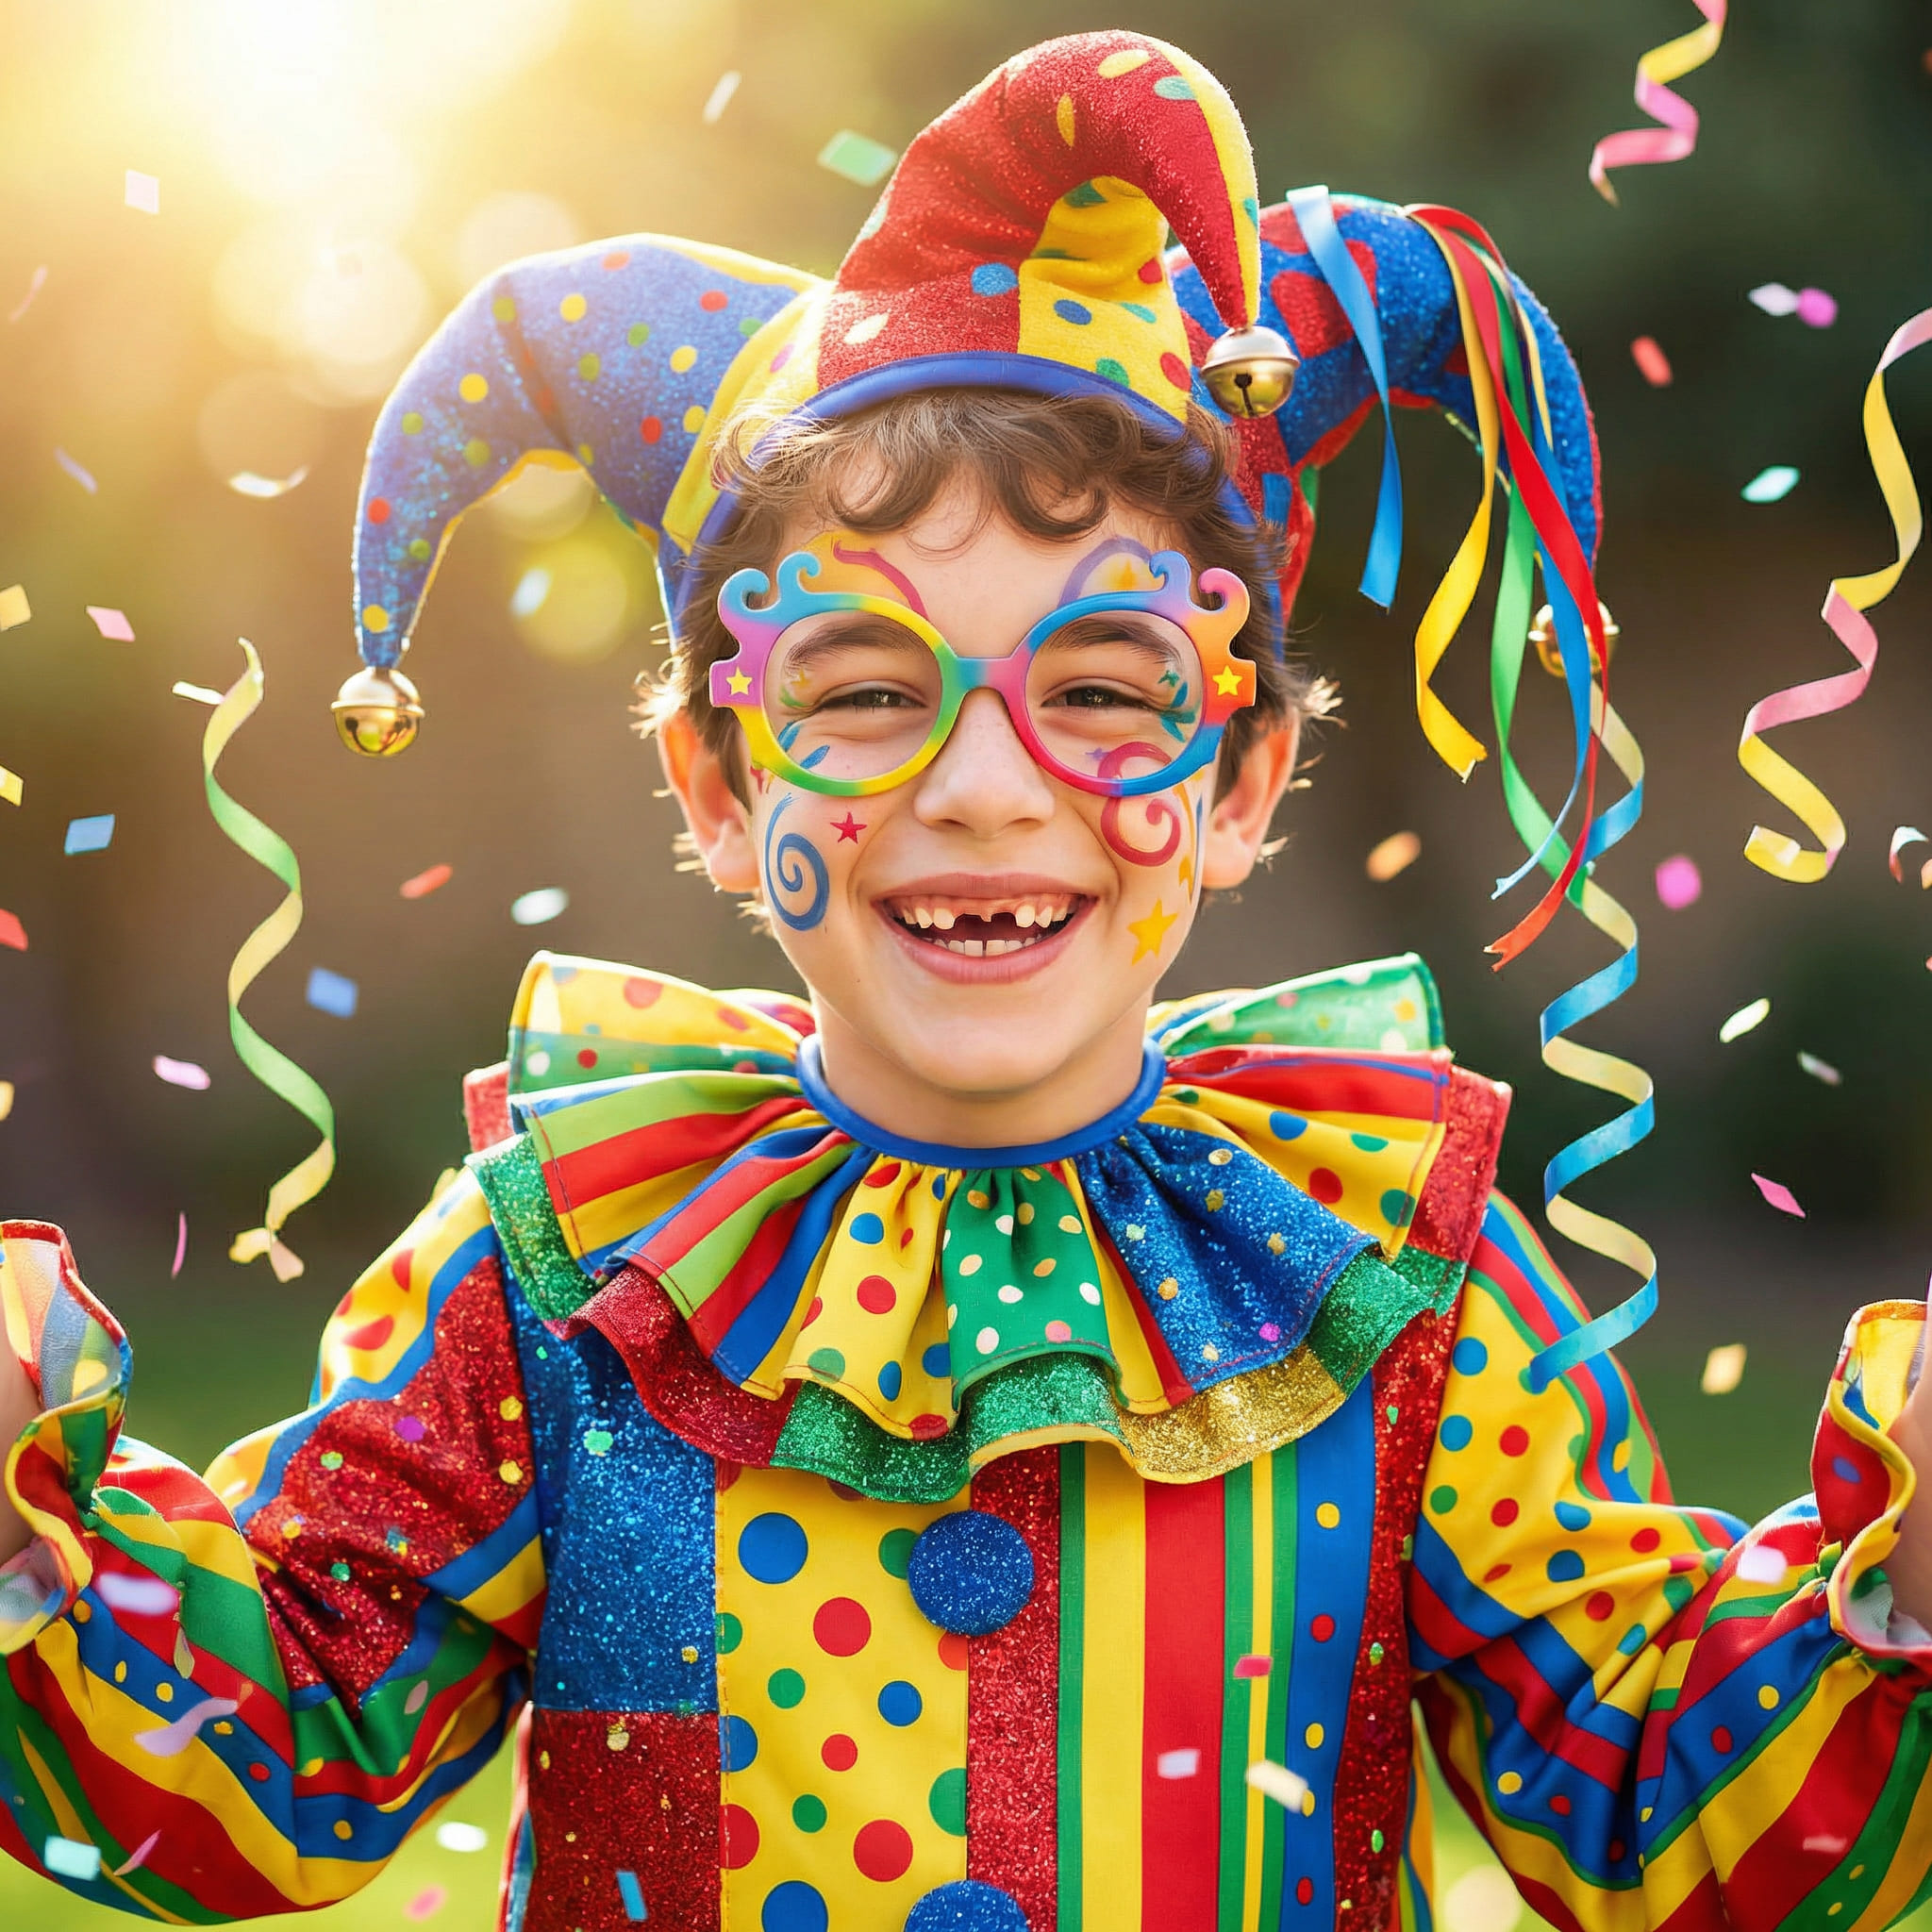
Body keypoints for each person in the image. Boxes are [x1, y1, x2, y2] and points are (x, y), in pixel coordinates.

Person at [4, 29, 1929, 1932]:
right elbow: (280, 1750)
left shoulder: (1388, 1273)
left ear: (1242, 781)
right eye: (858, 694)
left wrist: (1911, 1558)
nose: (986, 786)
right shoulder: (556, 1264)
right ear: (714, 780)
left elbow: (1656, 1803)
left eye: (1101, 692)